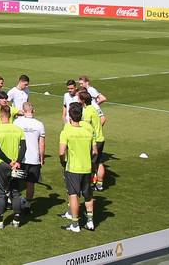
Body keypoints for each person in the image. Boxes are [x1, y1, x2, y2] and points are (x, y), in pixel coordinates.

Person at [59, 102, 97, 232]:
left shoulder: (66, 131)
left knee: (73, 194)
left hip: (73, 168)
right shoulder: (87, 131)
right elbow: (95, 152)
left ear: (69, 116)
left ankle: (75, 224)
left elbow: (61, 152)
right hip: (87, 168)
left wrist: (62, 162)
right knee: (88, 195)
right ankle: (90, 222)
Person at [0, 105, 27, 229]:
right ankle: (16, 220)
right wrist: (17, 162)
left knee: (0, 193)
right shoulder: (18, 129)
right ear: (10, 116)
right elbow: (24, 148)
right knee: (15, 192)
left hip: (2, 165)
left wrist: (9, 162)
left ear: (0, 116)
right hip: (16, 165)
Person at [14, 102, 46, 210]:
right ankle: (27, 204)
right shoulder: (39, 124)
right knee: (30, 183)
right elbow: (41, 143)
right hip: (34, 159)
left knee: (16, 181)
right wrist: (42, 158)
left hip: (20, 158)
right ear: (33, 111)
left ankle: (15, 202)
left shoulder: (17, 122)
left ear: (23, 111)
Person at [78, 90, 108, 191]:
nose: (77, 100)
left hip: (94, 140)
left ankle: (88, 184)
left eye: (79, 98)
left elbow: (86, 128)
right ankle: (99, 184)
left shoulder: (87, 111)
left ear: (83, 100)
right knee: (98, 162)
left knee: (89, 163)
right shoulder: (93, 108)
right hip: (100, 138)